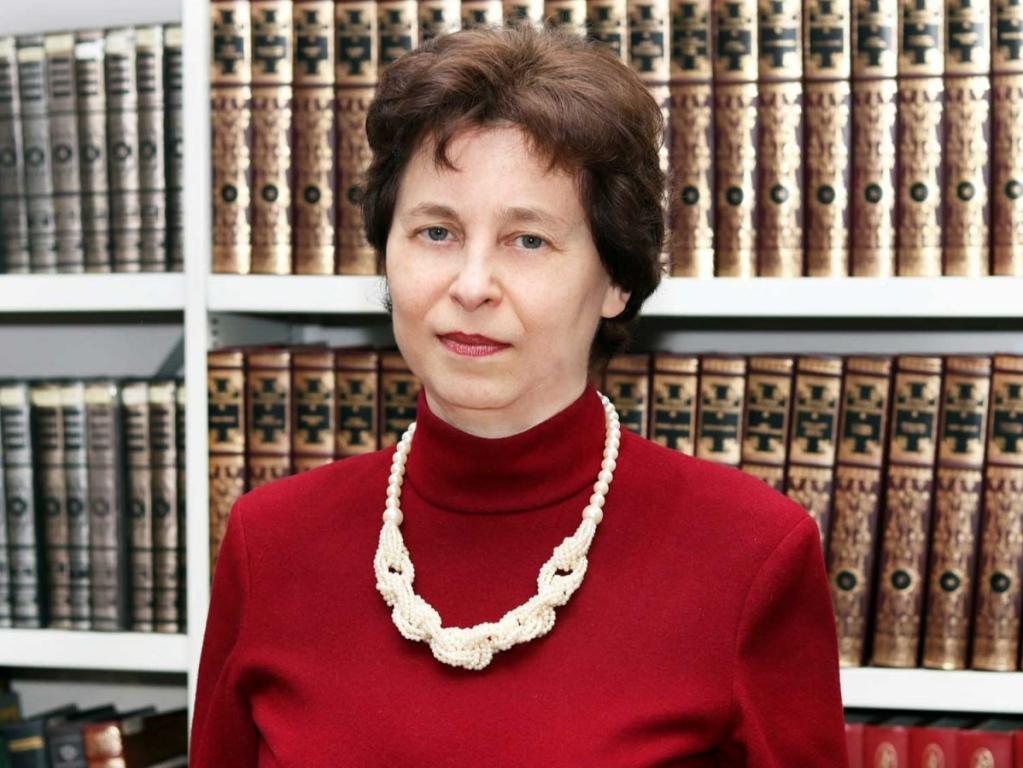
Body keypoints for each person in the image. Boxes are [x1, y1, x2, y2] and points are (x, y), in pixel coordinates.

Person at [190, 25, 848, 766]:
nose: (471, 285)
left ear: (617, 279)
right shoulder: (269, 544)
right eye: (436, 232)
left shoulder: (750, 556)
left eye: (527, 240)